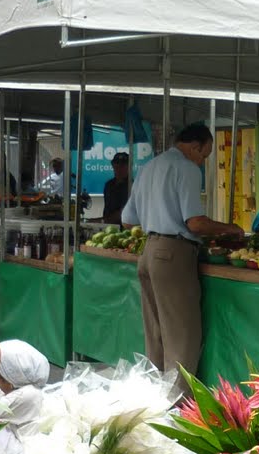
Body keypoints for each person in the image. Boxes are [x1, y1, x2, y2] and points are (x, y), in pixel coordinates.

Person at [121, 121, 240, 377]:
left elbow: (128, 220)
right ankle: (177, 405)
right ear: (195, 147)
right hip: (173, 255)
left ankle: (154, 398)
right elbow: (195, 223)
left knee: (156, 335)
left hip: (148, 252)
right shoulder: (186, 168)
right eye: (204, 155)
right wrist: (229, 228)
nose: (202, 162)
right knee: (181, 335)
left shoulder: (149, 166)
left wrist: (157, 214)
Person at [100, 152, 131, 224]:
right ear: (113, 165)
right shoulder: (108, 185)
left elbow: (124, 211)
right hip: (108, 228)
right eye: (117, 165)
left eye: (123, 166)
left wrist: (102, 221)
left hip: (125, 228)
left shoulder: (132, 186)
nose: (119, 168)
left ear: (129, 166)